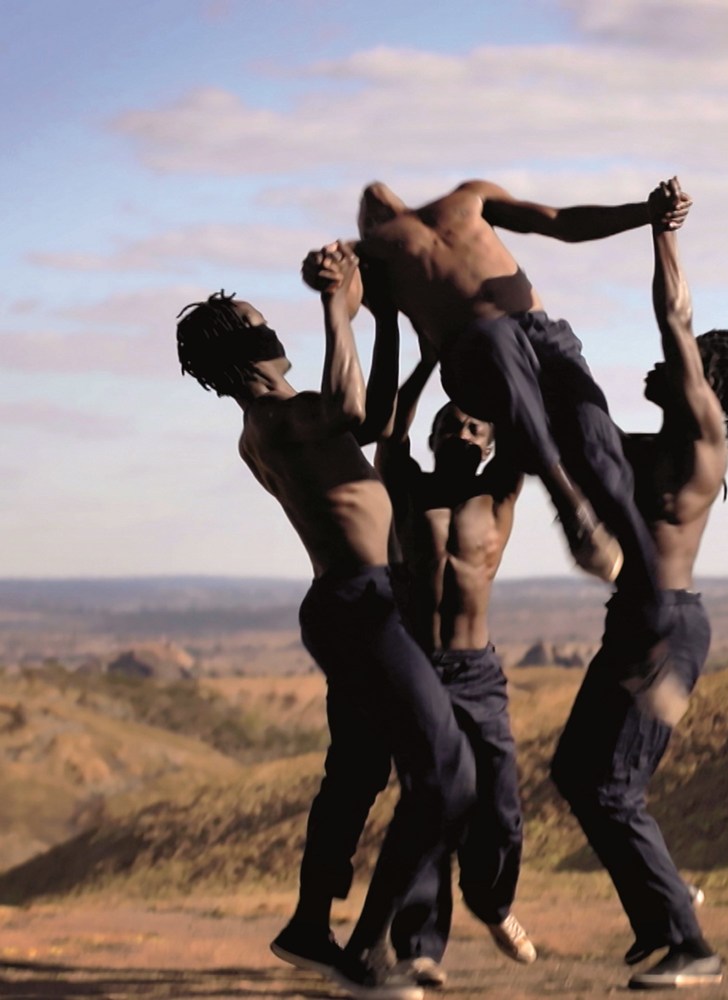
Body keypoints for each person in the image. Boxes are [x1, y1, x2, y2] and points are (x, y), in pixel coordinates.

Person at [175, 246, 476, 1000]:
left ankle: (310, 926)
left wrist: (383, 320)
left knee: (357, 774)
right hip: (360, 602)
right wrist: (335, 304)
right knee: (444, 774)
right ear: (239, 351)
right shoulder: (275, 420)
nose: (272, 329)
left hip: (363, 602)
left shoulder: (288, 416)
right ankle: (368, 955)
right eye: (258, 323)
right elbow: (347, 409)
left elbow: (369, 417)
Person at [550, 179, 728, 990]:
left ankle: (689, 943)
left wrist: (659, 231)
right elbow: (584, 439)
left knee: (610, 785)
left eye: (679, 363)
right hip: (640, 622)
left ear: (704, 377)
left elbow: (674, 318)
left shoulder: (701, 439)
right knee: (580, 772)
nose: (659, 362)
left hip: (669, 632)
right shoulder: (648, 450)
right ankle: (666, 915)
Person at [345, 179, 691, 674]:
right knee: (495, 337)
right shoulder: (372, 254)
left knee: (597, 453)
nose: (373, 192)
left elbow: (557, 221)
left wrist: (646, 213)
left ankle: (653, 605)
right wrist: (328, 279)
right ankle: (569, 505)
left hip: (543, 337)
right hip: (473, 352)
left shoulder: (469, 198)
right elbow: (350, 305)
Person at [374, 354, 533, 988]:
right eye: (454, 425)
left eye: (476, 429)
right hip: (419, 670)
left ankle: (492, 901)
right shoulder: (408, 487)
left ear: (490, 445)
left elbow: (523, 418)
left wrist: (489, 361)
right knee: (429, 804)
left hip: (478, 672)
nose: (464, 434)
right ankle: (419, 947)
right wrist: (432, 356)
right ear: (435, 435)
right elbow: (391, 427)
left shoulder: (499, 493)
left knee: (501, 807)